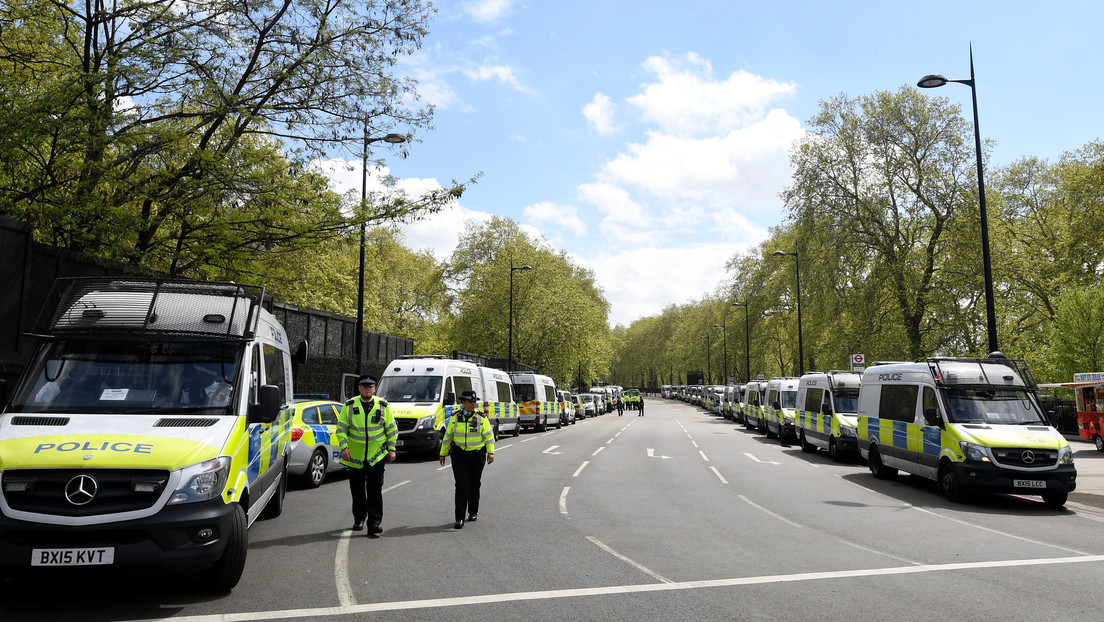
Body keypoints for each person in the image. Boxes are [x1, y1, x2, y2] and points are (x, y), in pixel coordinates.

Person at [337, 376, 397, 537]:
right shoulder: (349, 406)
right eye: (364, 386)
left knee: (375, 490)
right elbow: (341, 429)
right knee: (357, 491)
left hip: (376, 456)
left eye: (370, 386)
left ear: (375, 388)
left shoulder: (383, 406)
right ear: (359, 388)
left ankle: (375, 523)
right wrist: (344, 447)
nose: (367, 389)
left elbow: (391, 428)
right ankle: (359, 518)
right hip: (355, 457)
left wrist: (391, 449)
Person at [439, 389, 495, 530]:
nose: (473, 404)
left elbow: (489, 436)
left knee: (474, 484)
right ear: (463, 402)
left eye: (474, 401)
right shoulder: (455, 417)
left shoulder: (481, 417)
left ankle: (473, 512)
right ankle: (459, 518)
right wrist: (443, 453)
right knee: (461, 485)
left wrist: (491, 452)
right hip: (459, 455)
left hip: (477, 455)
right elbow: (448, 437)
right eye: (470, 402)